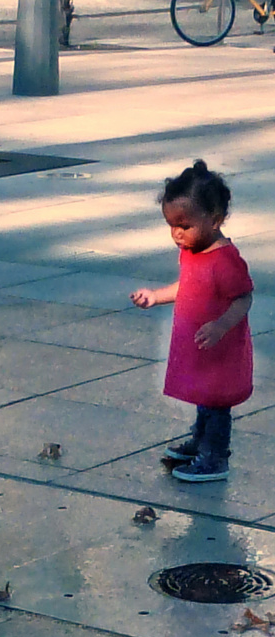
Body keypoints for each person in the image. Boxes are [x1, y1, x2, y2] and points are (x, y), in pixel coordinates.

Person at [131, 159, 253, 482]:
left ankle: (215, 458)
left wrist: (222, 326)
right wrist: (157, 296)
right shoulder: (193, 253)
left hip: (220, 348)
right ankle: (200, 442)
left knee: (217, 404)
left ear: (214, 219)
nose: (176, 233)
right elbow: (188, 285)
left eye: (184, 225)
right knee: (205, 399)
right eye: (171, 225)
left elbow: (244, 298)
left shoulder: (225, 260)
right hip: (201, 346)